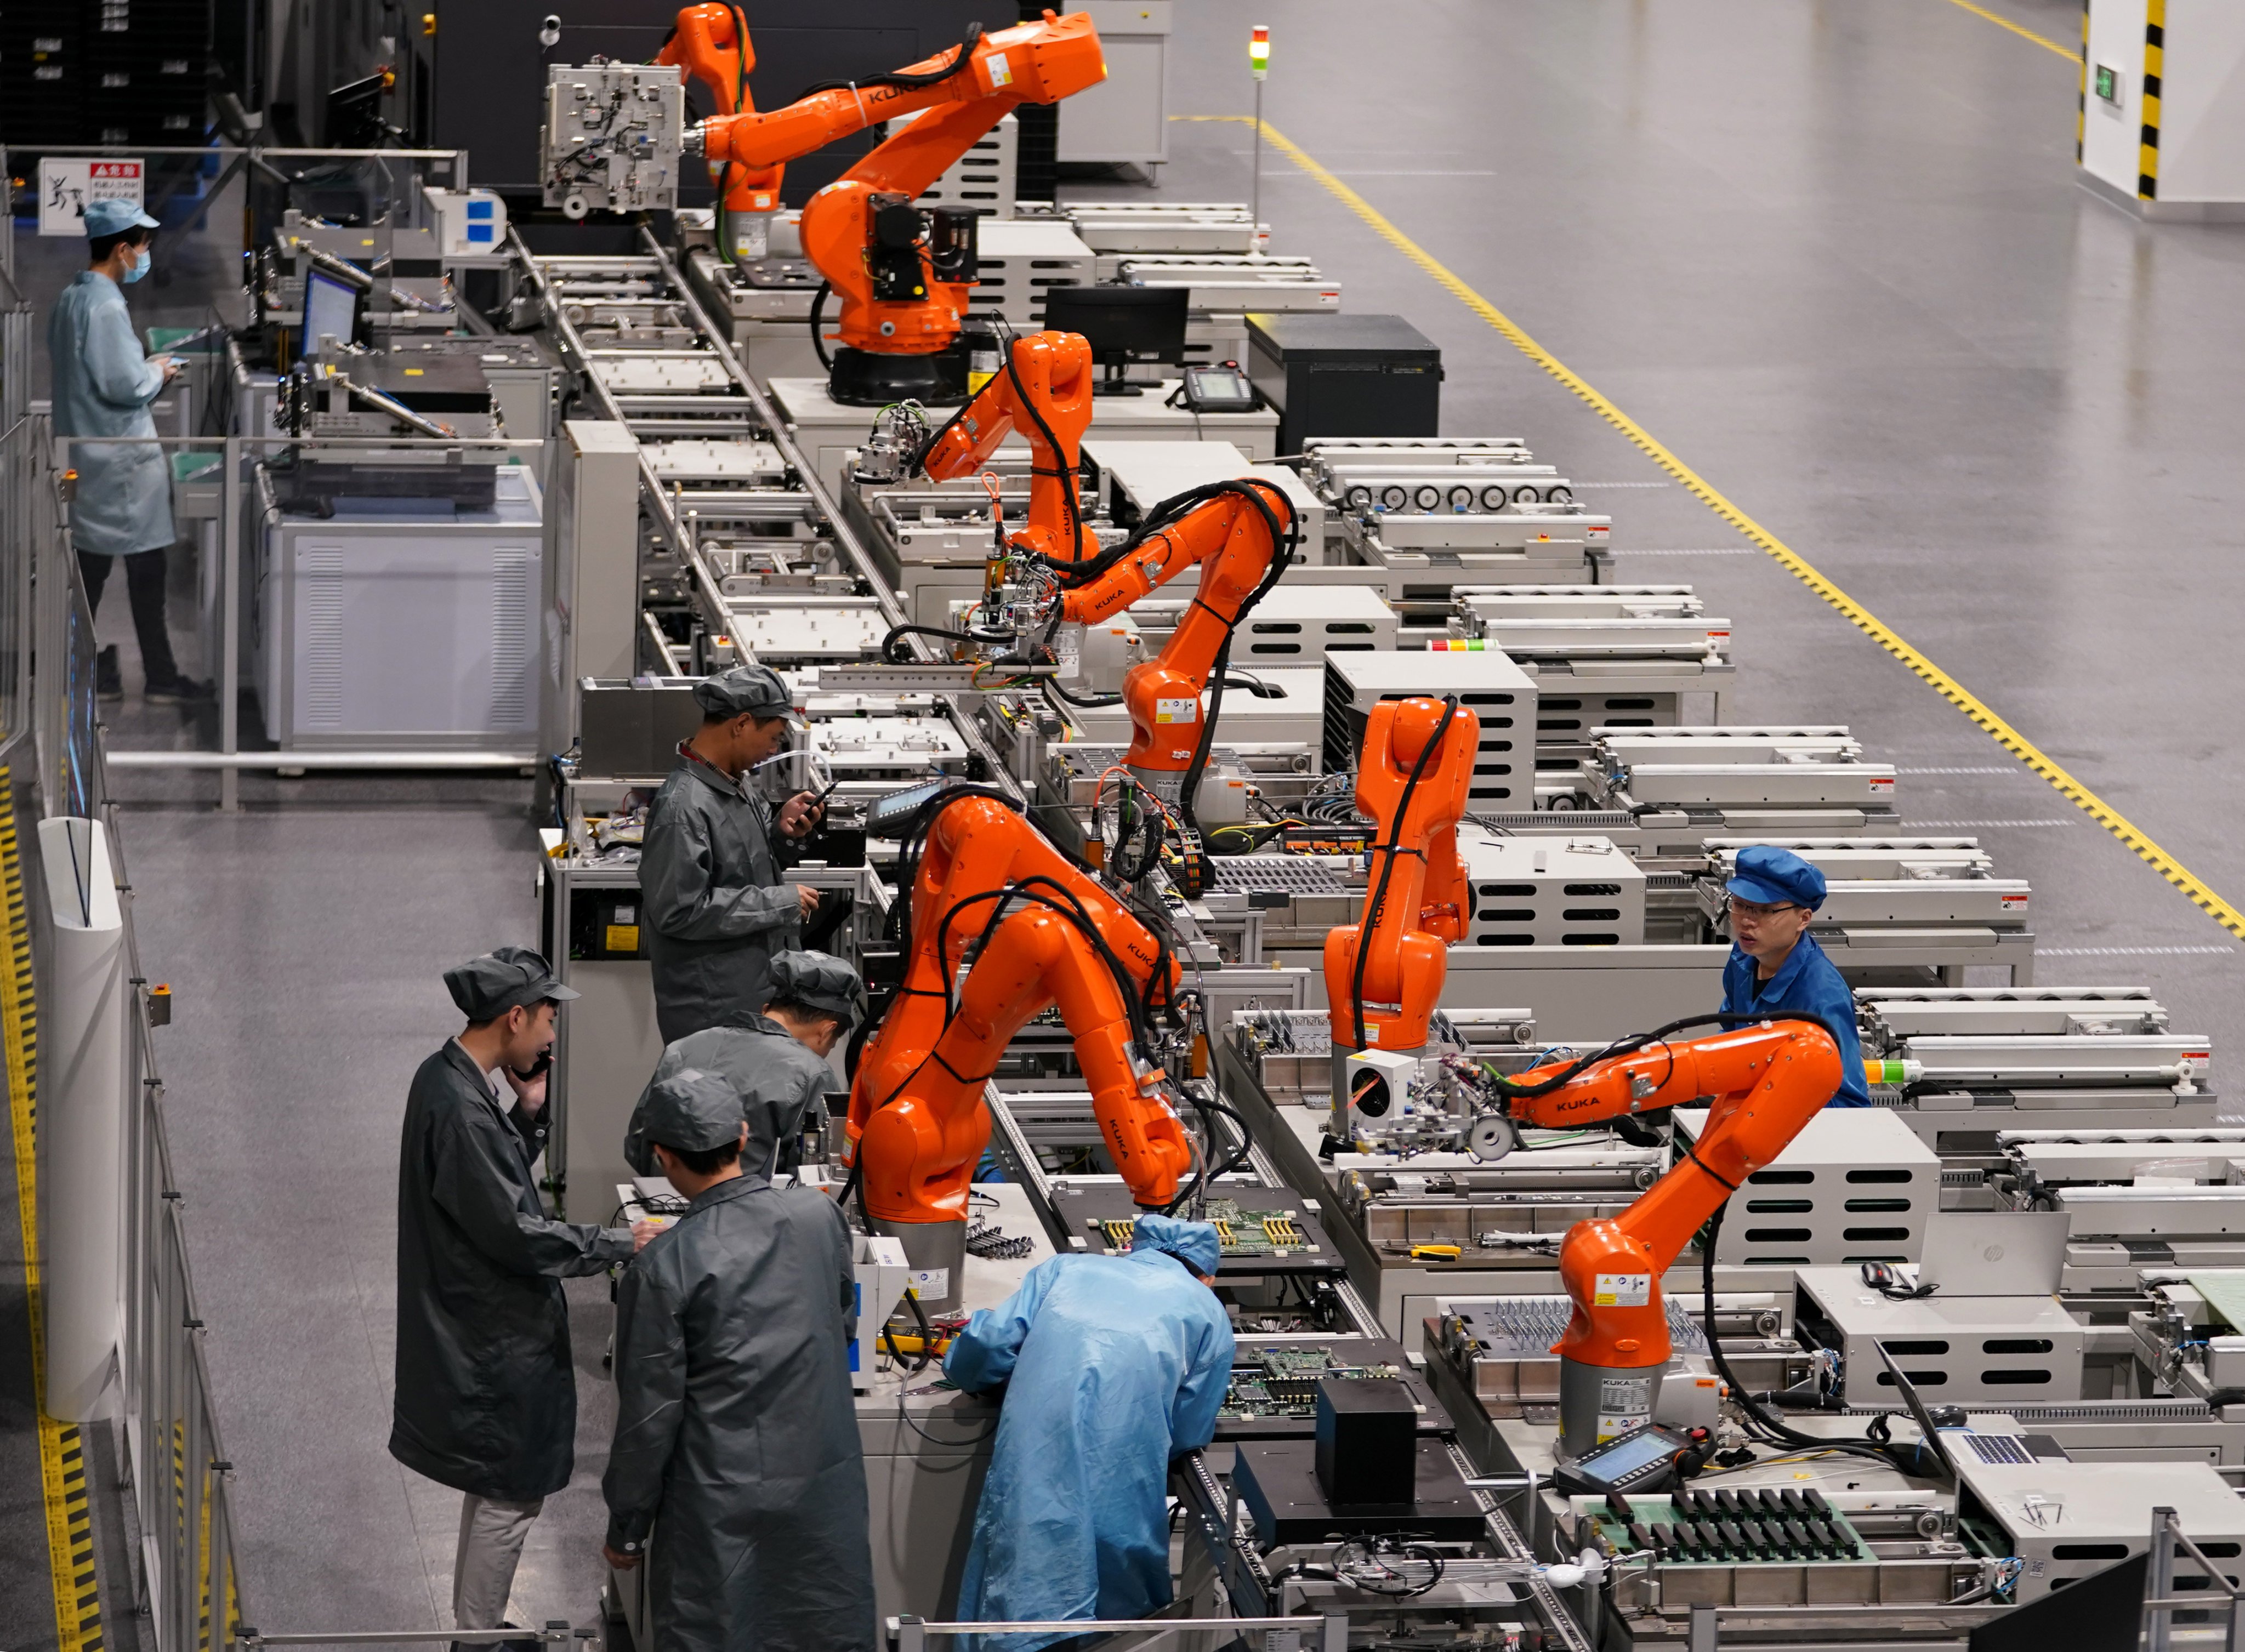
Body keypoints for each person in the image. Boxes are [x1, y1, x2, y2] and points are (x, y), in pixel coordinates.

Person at [391, 946, 660, 1640]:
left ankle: (475, 1625)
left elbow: (486, 1185)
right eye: (547, 1017)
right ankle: (477, 1633)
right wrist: (617, 1243)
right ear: (514, 1017)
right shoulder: (461, 1109)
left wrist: (530, 1111)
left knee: (498, 1488)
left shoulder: (450, 1081)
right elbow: (514, 1229)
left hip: (481, 1321)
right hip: (491, 1336)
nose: (551, 1033)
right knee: (511, 1491)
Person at [603, 1068, 877, 1652]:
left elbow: (648, 1420)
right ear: (744, 1133)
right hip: (821, 1486)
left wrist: (627, 1529)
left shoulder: (663, 1267)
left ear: (663, 1158)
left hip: (717, 1507)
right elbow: (843, 1322)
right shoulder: (818, 1217)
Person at [944, 1215, 1234, 1649]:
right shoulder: (1208, 1311)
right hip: (1124, 1483)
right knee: (1118, 1621)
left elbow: (986, 1346)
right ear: (1207, 1274)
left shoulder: (1066, 1268)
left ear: (1132, 1249)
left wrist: (974, 1377)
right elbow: (1190, 1431)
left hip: (1036, 1466)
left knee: (1023, 1594)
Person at [46, 197, 211, 705]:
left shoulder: (72, 298)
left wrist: (144, 364)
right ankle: (159, 677)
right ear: (122, 249)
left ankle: (82, 666)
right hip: (121, 462)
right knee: (145, 572)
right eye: (142, 248)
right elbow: (124, 386)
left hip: (88, 456)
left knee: (90, 571)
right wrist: (158, 371)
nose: (146, 257)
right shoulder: (107, 306)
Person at [640, 663, 828, 1044]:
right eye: (773, 737)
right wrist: (780, 901)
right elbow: (679, 911)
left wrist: (781, 834)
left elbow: (740, 871)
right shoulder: (684, 807)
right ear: (742, 724)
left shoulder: (734, 784)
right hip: (711, 1005)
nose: (774, 749)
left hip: (749, 989)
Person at [622, 949, 868, 1180]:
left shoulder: (682, 1048)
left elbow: (638, 1145)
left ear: (766, 1009)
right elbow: (812, 1179)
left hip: (659, 1212)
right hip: (754, 1219)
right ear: (827, 1031)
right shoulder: (813, 1073)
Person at [1720, 844, 1869, 1107]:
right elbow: (1731, 1031)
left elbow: (1848, 1103)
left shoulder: (1821, 995)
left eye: (1765, 911)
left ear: (1803, 919)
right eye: (1740, 905)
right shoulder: (1743, 958)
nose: (1746, 921)